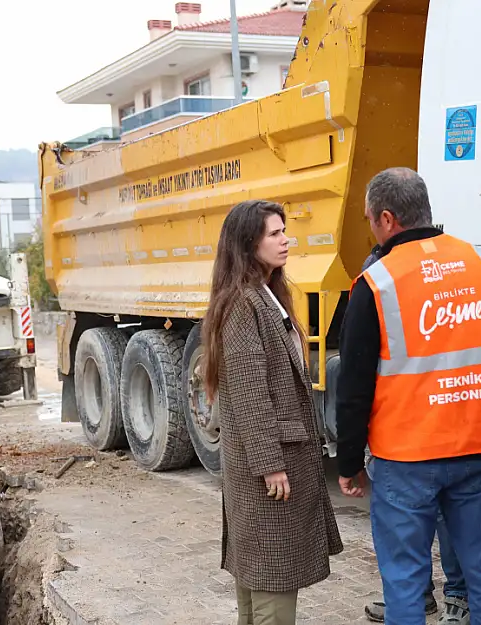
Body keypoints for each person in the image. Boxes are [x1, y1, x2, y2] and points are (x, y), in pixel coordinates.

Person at [336, 167, 481, 625]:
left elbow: (354, 386)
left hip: (406, 456)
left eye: (370, 219)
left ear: (388, 219)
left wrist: (350, 462)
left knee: (405, 579)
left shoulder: (376, 283)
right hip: (477, 445)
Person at [202, 199, 343, 625]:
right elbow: (250, 395)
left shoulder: (263, 295)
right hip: (268, 472)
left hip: (267, 465)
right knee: (271, 589)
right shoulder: (245, 304)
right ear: (248, 243)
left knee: (259, 581)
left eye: (284, 231)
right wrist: (270, 466)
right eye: (274, 234)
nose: (286, 240)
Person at [359, 242, 467, 624]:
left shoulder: (389, 279)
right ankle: (422, 597)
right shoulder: (380, 273)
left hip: (419, 434)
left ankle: (450, 595)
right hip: (397, 431)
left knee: (427, 523)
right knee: (418, 527)